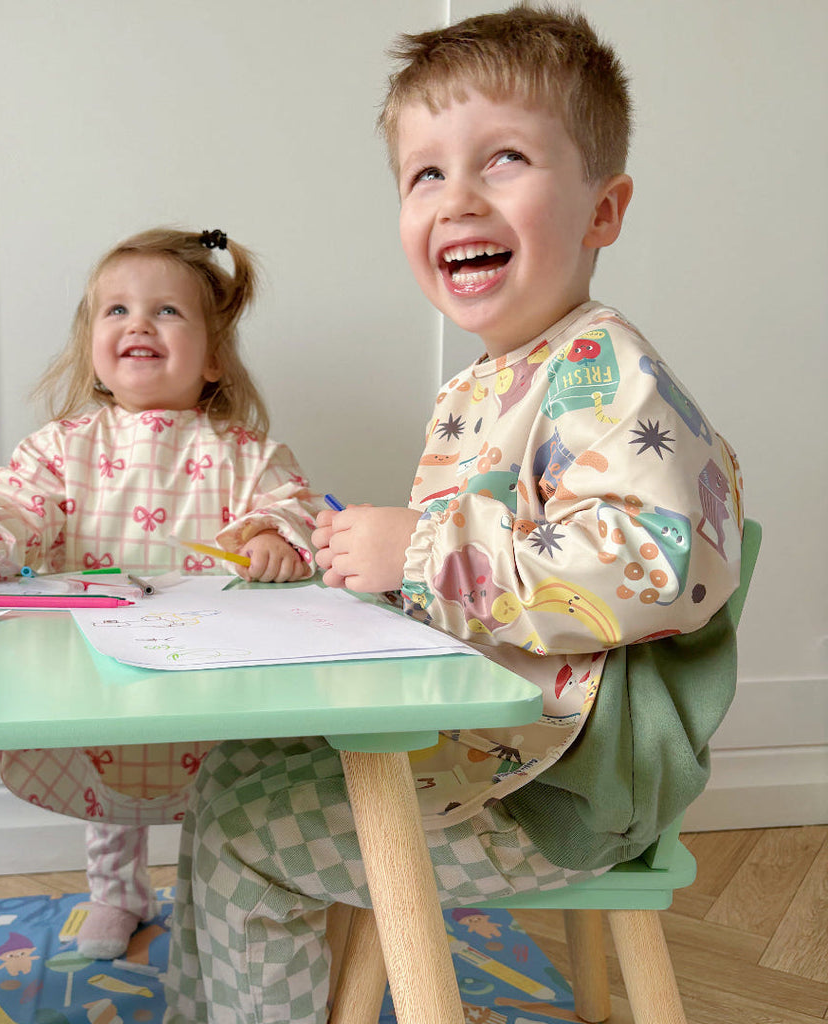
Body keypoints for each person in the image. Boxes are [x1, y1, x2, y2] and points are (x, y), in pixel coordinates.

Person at [162, 8, 744, 1023]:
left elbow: (658, 562)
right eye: (424, 174)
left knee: (243, 832)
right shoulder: (482, 386)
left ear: (602, 210)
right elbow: (466, 577)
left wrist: (420, 551)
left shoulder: (603, 370)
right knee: (233, 775)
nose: (457, 197)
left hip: (560, 787)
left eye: (503, 159)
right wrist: (354, 559)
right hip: (493, 742)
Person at [0, 227, 319, 961]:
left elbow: (293, 505)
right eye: (115, 311)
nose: (138, 323)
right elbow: (14, 501)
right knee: (110, 783)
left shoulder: (243, 454)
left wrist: (271, 537)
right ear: (93, 349)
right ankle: (117, 892)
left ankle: (214, 892)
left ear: (213, 358)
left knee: (225, 785)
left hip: (211, 667)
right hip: (97, 661)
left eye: (166, 312)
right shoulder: (61, 448)